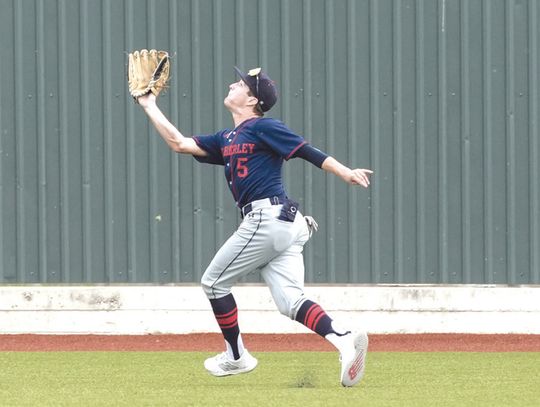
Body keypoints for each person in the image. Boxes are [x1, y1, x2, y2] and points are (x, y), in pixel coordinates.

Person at [137, 66, 373, 387]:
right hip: (285, 223)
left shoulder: (264, 126)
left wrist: (344, 171)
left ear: (251, 99)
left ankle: (236, 356)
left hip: (268, 219)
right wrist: (149, 104)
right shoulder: (227, 137)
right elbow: (179, 143)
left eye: (241, 84)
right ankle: (344, 338)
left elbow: (305, 150)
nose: (233, 84)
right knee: (291, 302)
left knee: (214, 282)